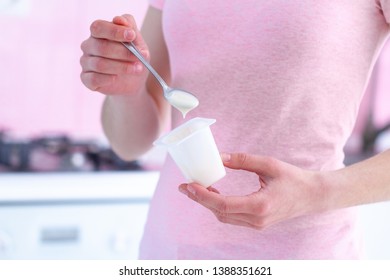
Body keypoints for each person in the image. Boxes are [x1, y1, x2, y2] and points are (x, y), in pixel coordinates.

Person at [80, 1, 390, 259]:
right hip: (169, 253)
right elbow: (130, 144)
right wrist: (125, 89)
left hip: (303, 257)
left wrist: (315, 192)